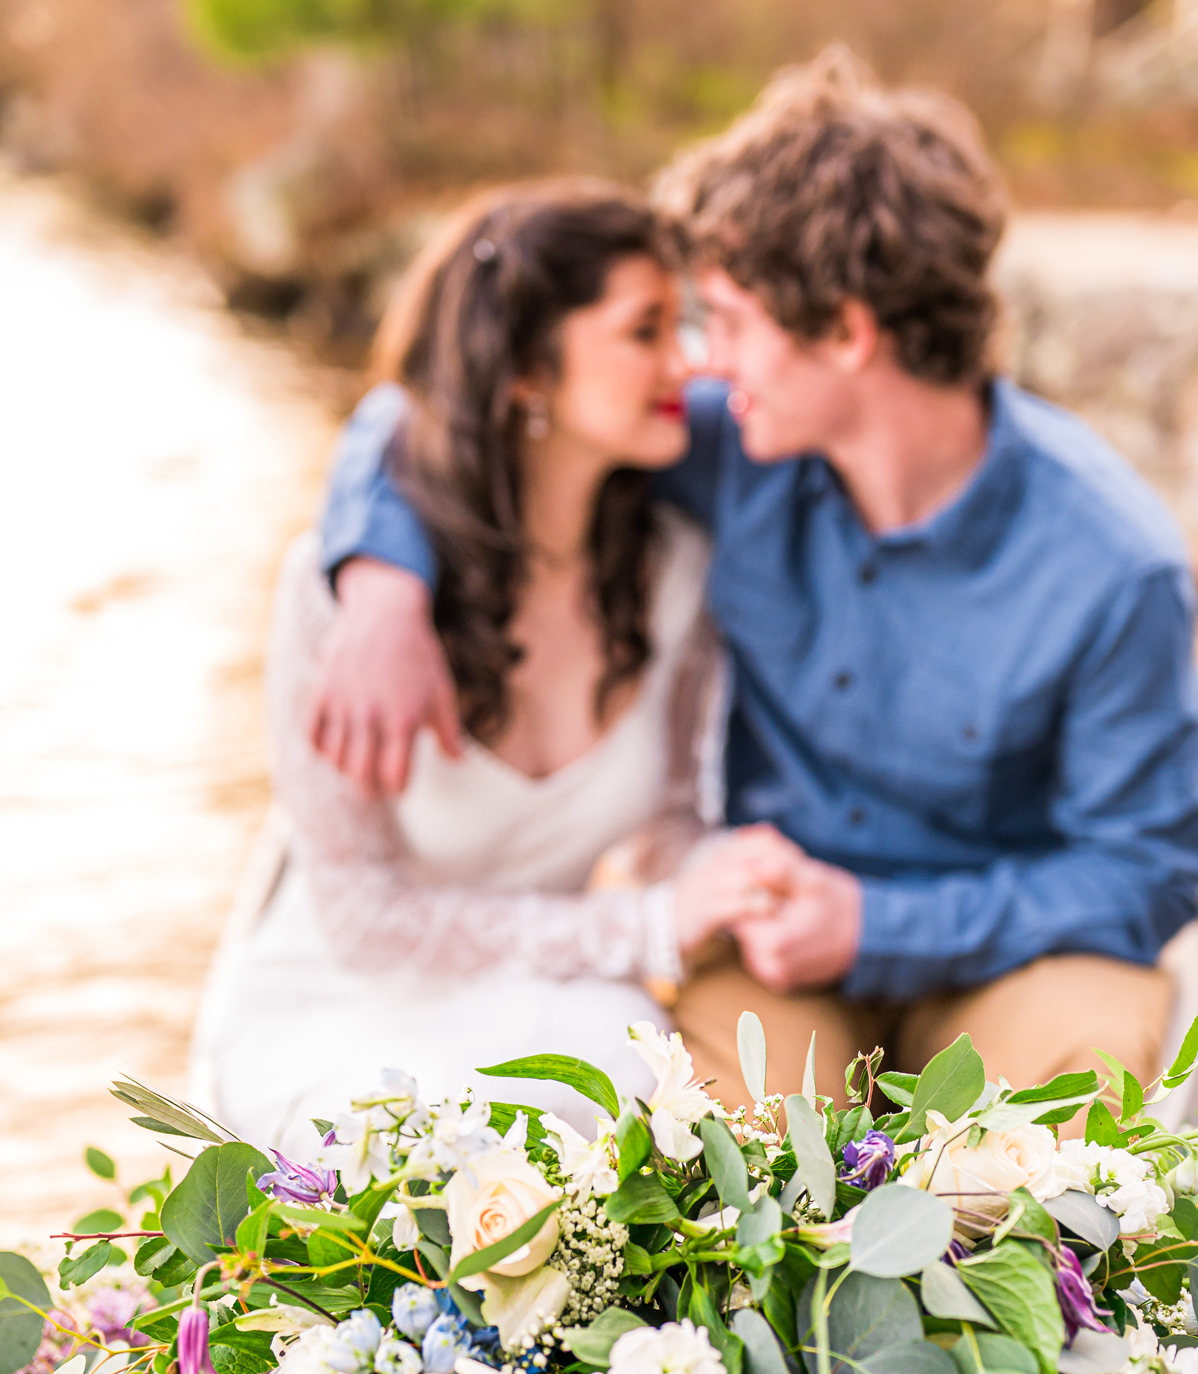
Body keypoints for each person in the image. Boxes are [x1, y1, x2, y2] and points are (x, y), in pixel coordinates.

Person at [311, 49, 1198, 1116]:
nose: (700, 361)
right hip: (774, 951)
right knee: (740, 1170)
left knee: (1040, 1154)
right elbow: (448, 407)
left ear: (844, 332)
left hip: (1015, 961)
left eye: (725, 321)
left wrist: (877, 926)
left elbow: (1143, 873)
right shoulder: (735, 441)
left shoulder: (1113, 567)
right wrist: (380, 583)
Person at [205, 181, 798, 1151]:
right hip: (346, 998)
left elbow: (668, 823)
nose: (684, 363)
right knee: (414, 1136)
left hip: (552, 1004)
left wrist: (731, 874)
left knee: (642, 1105)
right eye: (644, 330)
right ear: (526, 369)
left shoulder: (679, 574)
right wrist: (642, 931)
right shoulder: (343, 599)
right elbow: (362, 915)